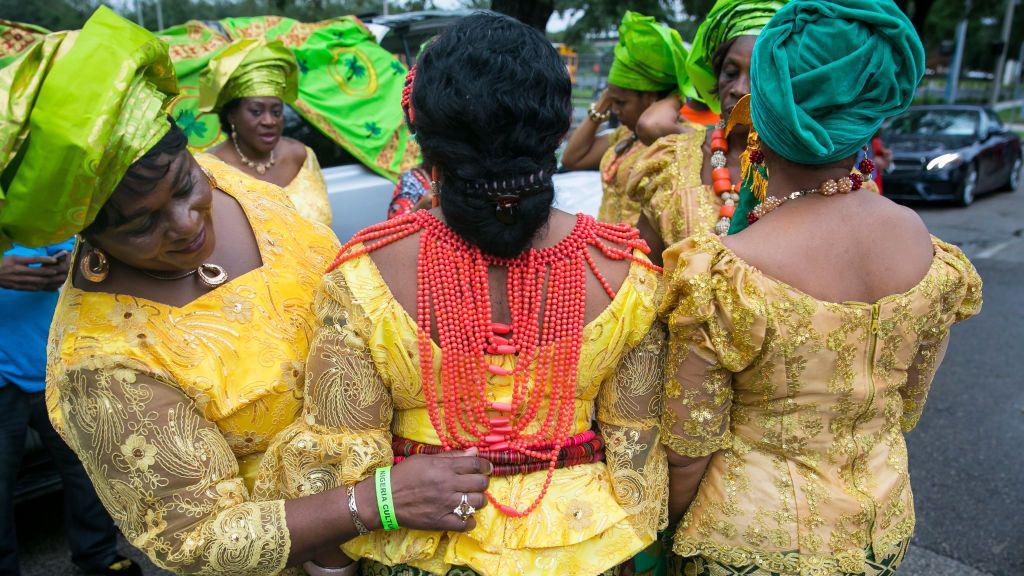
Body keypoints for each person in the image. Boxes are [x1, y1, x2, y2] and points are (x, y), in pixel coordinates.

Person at [0, 8, 493, 575]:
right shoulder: (103, 362)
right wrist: (379, 501)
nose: (186, 224)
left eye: (186, 184)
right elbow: (196, 537)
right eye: (142, 225)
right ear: (87, 232)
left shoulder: (233, 181)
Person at [270, 13, 667, 576]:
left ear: (425, 145)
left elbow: (340, 464)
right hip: (585, 550)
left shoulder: (366, 273)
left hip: (417, 550)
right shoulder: (624, 271)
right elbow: (636, 460)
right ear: (557, 133)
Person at [659, 2, 982, 575]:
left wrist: (664, 538)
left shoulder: (727, 270)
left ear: (765, 110)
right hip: (877, 531)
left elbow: (688, 450)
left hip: (748, 540)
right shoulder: (924, 246)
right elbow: (908, 404)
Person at [0, 242, 141, 576]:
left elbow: (73, 242)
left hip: (51, 357)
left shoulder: (22, 192)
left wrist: (69, 263)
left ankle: (100, 557)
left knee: (88, 469)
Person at [626, 0, 787, 264]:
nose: (738, 88)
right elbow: (643, 271)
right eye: (730, 73)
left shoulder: (805, 171)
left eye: (758, 75)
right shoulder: (672, 159)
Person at [562, 11, 686, 226]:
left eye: (621, 103)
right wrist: (603, 103)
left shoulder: (674, 137)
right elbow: (572, 158)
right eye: (613, 102)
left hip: (640, 254)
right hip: (610, 249)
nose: (615, 110)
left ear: (649, 98)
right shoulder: (626, 135)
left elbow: (652, 124)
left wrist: (675, 97)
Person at [196, 38, 333, 227]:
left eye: (276, 112)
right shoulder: (208, 169)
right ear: (232, 115)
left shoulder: (301, 156)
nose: (270, 121)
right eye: (256, 111)